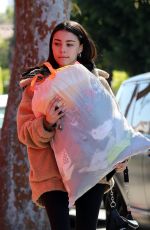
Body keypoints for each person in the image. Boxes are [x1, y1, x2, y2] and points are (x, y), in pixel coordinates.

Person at [17, 20, 128, 230]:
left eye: (69, 44)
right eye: (57, 43)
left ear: (81, 47)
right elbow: (24, 133)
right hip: (52, 173)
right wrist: (46, 123)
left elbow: (114, 126)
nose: (62, 49)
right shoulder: (36, 84)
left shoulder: (98, 82)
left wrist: (121, 155)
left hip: (91, 169)